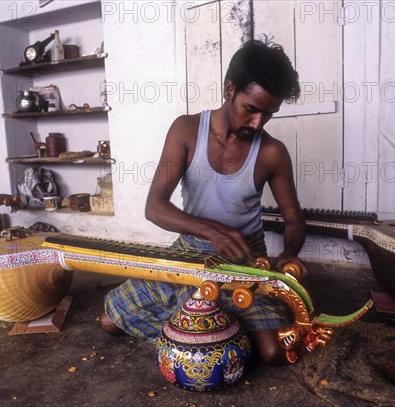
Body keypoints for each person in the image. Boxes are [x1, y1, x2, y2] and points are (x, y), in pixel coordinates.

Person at [99, 39, 307, 365]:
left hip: (244, 261)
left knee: (273, 352)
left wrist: (289, 257)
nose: (257, 123)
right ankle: (211, 334)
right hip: (189, 253)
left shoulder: (272, 152)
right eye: (251, 109)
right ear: (229, 90)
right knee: (109, 321)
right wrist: (212, 232)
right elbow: (155, 207)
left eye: (268, 114)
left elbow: (293, 219)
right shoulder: (186, 130)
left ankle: (202, 331)